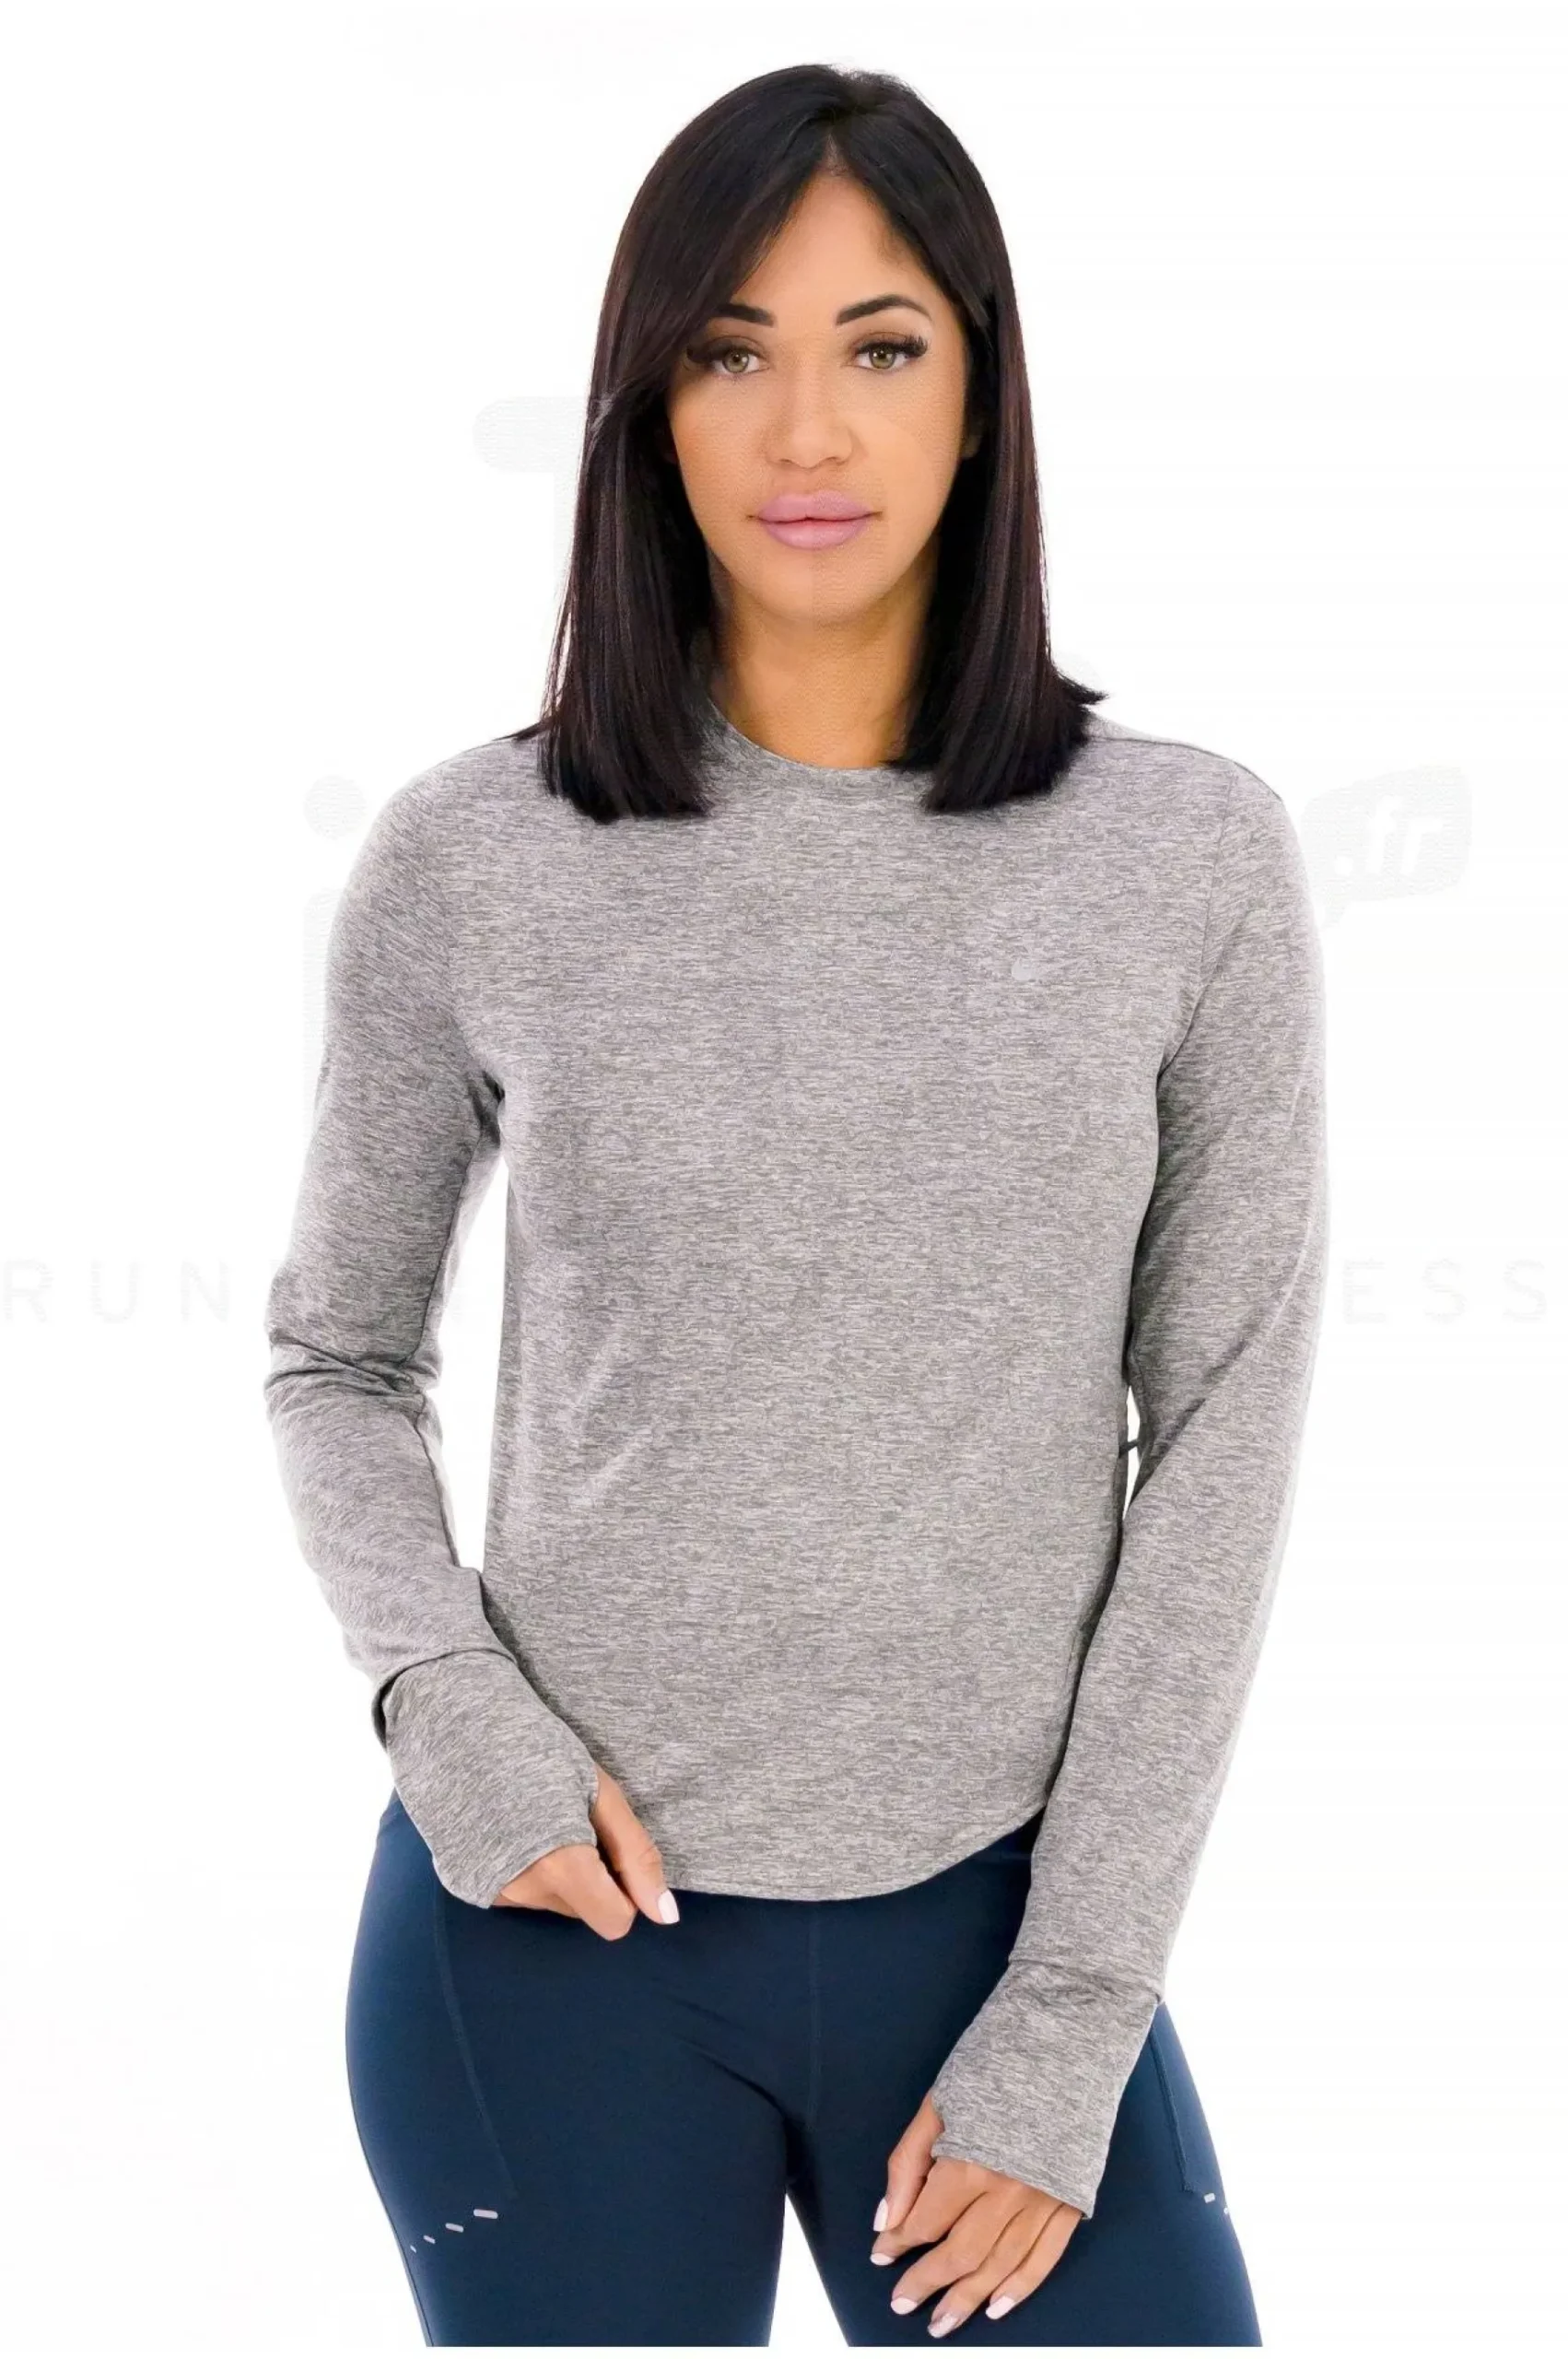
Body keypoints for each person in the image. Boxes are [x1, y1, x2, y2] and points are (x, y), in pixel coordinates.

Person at [263, 61, 1328, 2349]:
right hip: (548, 1938)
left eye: (880, 345)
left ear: (981, 391)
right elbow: (335, 1351)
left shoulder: (1187, 858)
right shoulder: (474, 855)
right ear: (648, 407)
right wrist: (447, 1711)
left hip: (1000, 1936)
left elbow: (1219, 1439)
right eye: (729, 351)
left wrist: (1076, 2004)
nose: (806, 429)